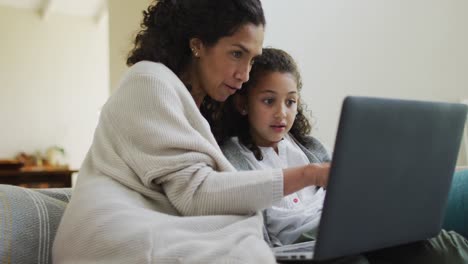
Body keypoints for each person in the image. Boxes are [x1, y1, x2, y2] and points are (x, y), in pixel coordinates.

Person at [52, 1, 330, 263]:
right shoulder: (149, 80)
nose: (244, 75)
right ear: (198, 45)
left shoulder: (201, 107)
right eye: (236, 54)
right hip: (112, 233)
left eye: (251, 60)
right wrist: (310, 174)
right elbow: (195, 193)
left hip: (159, 223)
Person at [213, 47, 468, 263]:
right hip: (301, 245)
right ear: (243, 104)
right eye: (269, 101)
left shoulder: (309, 147)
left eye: (290, 102)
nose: (282, 113)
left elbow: (350, 181)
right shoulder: (232, 158)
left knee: (440, 245)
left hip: (347, 228)